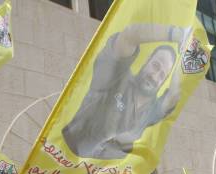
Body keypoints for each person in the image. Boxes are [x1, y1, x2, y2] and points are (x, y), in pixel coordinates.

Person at [62, 23, 190, 159]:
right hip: (68, 159)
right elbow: (129, 36)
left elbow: (174, 95)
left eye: (162, 75)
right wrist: (179, 34)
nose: (155, 76)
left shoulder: (152, 111)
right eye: (155, 65)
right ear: (147, 60)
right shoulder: (116, 76)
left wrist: (186, 53)